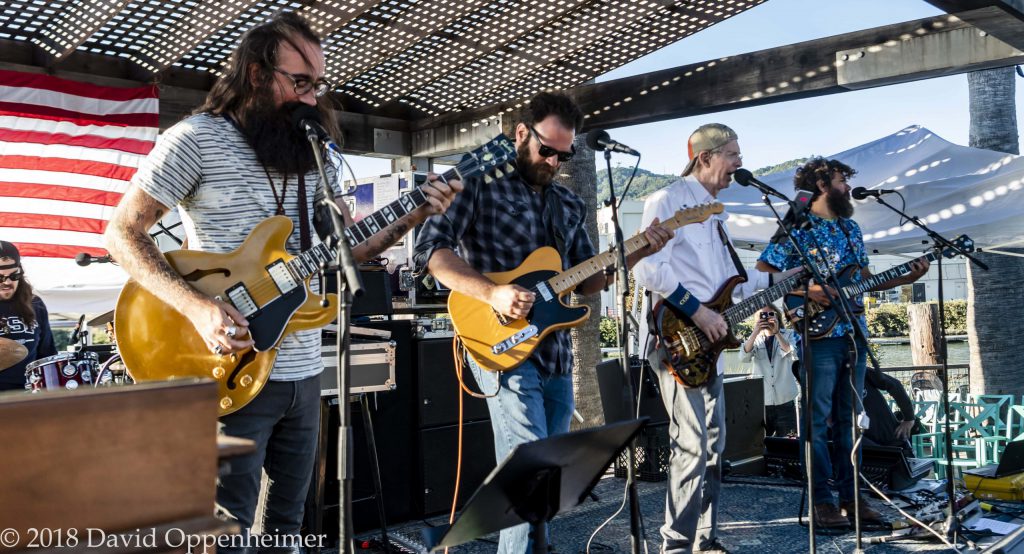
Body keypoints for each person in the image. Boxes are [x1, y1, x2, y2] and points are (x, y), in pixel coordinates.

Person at [104, 12, 460, 550]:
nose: (312, 98)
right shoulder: (197, 138)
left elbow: (341, 254)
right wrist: (200, 309)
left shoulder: (305, 155)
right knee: (227, 529)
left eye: (318, 85)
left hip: (302, 367)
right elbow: (122, 233)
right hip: (229, 361)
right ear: (255, 74)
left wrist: (412, 217)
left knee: (289, 528)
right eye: (300, 82)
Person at [413, 91, 671, 554]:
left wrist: (636, 251)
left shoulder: (568, 205)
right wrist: (493, 292)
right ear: (520, 134)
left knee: (548, 475)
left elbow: (585, 280)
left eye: (563, 154)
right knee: (527, 471)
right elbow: (433, 254)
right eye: (545, 149)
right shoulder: (479, 184)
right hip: (502, 346)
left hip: (556, 353)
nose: (553, 161)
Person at [634, 123, 797, 554]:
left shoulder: (715, 212)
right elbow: (648, 270)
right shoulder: (666, 200)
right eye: (732, 154)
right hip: (676, 342)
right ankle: (675, 547)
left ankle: (705, 538)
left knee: (713, 448)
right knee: (689, 446)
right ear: (704, 157)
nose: (740, 163)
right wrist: (699, 312)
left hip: (710, 349)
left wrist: (784, 280)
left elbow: (731, 284)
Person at [756, 157, 928, 529]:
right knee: (818, 423)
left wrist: (902, 278)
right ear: (821, 185)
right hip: (817, 336)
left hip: (853, 332)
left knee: (851, 422)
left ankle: (852, 497)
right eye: (840, 181)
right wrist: (809, 290)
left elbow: (863, 279)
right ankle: (822, 503)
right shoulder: (796, 227)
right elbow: (766, 276)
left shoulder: (851, 228)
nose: (848, 188)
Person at [0, 241, 56, 392]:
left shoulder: (35, 304)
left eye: (14, 275)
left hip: (28, 396)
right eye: (1, 277)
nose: (8, 282)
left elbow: (47, 354)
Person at [741, 305, 799, 438]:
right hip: (763, 401)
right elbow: (743, 357)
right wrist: (755, 331)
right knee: (760, 444)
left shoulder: (789, 334)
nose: (767, 319)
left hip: (785, 400)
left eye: (770, 315)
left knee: (788, 442)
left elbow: (793, 353)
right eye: (763, 315)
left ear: (777, 316)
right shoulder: (754, 339)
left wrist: (777, 332)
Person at [862, 366, 917, 453]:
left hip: (893, 439)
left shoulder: (858, 369)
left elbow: (894, 385)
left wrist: (909, 418)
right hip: (865, 449)